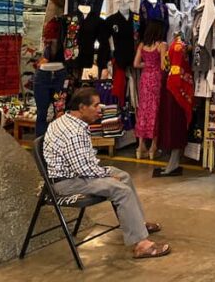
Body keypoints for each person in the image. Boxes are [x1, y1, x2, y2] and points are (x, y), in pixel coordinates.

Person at [43, 87, 170, 259]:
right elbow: (82, 168)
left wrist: (105, 173)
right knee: (120, 189)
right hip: (67, 181)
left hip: (76, 174)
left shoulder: (67, 120)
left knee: (124, 176)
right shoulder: (74, 131)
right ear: (82, 108)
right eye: (95, 106)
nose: (99, 109)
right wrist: (105, 175)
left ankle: (137, 224)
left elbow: (84, 164)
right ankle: (141, 244)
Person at [133, 21, 168, 160]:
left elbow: (136, 64)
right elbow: (163, 66)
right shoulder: (162, 45)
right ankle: (153, 147)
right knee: (155, 111)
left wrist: (146, 64)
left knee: (143, 110)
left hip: (145, 78)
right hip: (156, 80)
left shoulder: (142, 45)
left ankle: (140, 146)